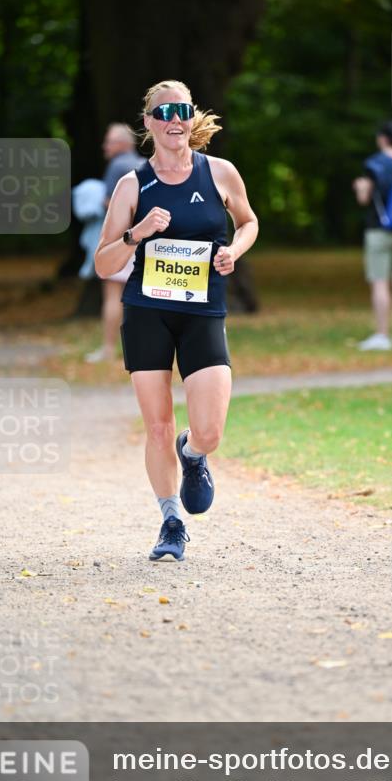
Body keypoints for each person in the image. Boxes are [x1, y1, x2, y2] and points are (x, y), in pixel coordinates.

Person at [94, 80, 259, 561]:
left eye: (182, 110)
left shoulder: (220, 173)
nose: (174, 119)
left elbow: (248, 222)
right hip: (148, 311)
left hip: (203, 310)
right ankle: (171, 521)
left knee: (208, 431)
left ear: (191, 118)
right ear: (148, 123)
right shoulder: (133, 185)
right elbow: (103, 263)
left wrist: (234, 251)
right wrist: (135, 234)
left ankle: (194, 454)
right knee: (159, 426)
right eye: (163, 111)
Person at [352, 120, 392, 351]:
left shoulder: (374, 164)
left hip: (379, 231)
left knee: (380, 283)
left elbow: (364, 198)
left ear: (382, 138)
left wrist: (359, 187)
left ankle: (383, 335)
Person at [86, 124, 143, 363]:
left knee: (112, 294)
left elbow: (110, 203)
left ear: (123, 144)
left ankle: (108, 349)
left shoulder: (118, 166)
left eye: (109, 141)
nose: (105, 146)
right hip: (147, 239)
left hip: (124, 240)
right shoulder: (146, 164)